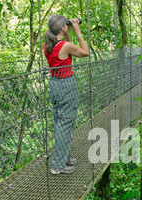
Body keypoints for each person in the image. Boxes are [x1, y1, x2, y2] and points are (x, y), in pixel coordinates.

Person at [44, 15, 89, 174]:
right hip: (66, 85)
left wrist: (67, 30)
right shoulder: (64, 46)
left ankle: (64, 156)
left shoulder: (49, 44)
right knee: (66, 122)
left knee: (60, 122)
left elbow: (68, 45)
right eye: (66, 25)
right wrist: (78, 31)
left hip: (55, 84)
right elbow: (85, 52)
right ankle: (58, 165)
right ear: (63, 27)